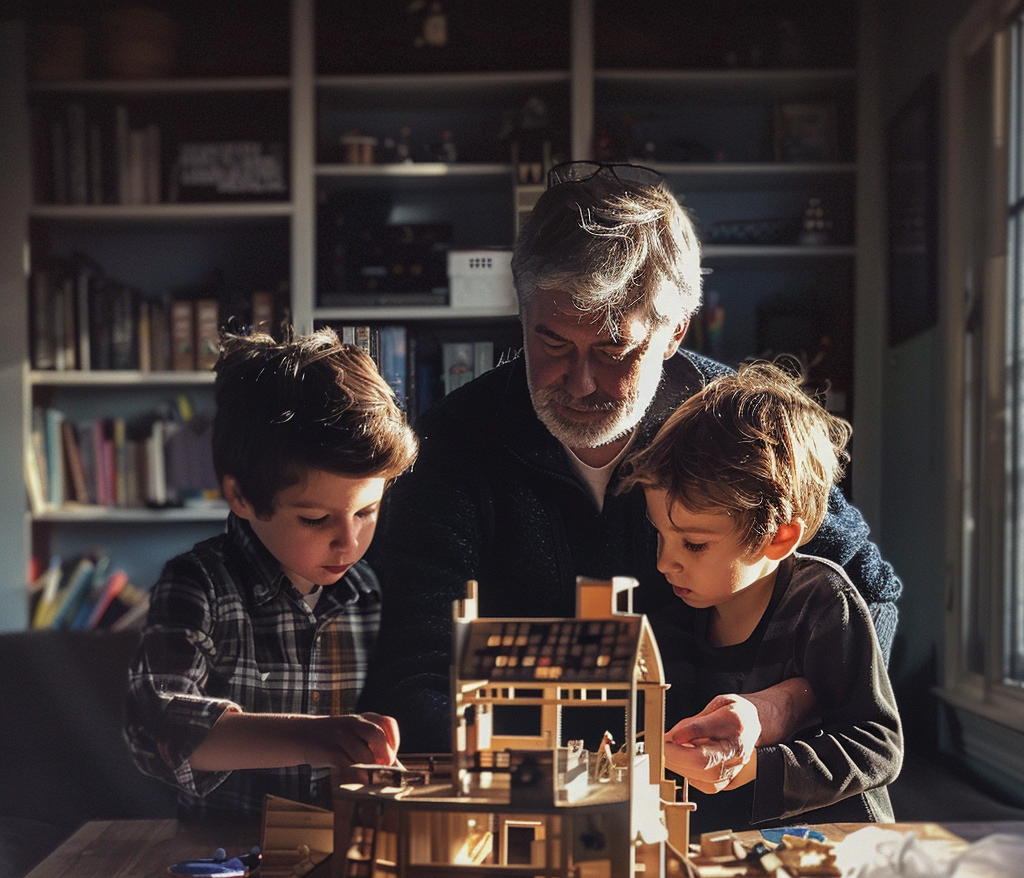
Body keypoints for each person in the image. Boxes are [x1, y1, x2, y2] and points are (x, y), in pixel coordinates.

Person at [359, 161, 901, 756]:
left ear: (674, 333)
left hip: (718, 796)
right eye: (552, 342)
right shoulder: (452, 444)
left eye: (615, 348)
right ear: (522, 313)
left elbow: (872, 597)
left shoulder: (735, 429)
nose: (581, 382)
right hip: (518, 793)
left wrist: (781, 706)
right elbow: (412, 667)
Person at [124, 327, 418, 820]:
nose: (349, 542)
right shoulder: (199, 585)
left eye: (366, 512)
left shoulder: (375, 592)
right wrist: (312, 737)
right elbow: (157, 724)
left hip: (351, 849)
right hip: (227, 859)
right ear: (241, 497)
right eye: (315, 519)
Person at [625, 361, 903, 831]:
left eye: (694, 543)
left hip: (838, 846)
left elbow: (877, 745)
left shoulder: (822, 601)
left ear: (777, 538)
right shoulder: (676, 612)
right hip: (735, 852)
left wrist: (759, 767)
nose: (665, 562)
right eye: (660, 535)